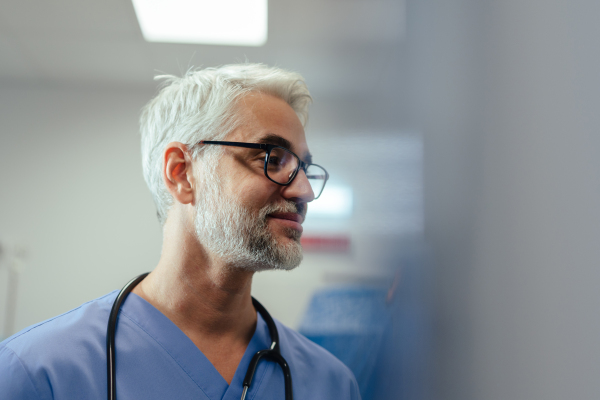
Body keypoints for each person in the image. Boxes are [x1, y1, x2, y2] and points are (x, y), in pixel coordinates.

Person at [0, 64, 361, 400]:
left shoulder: (329, 384)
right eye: (272, 158)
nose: (304, 192)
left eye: (303, 167)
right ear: (181, 173)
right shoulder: (38, 372)